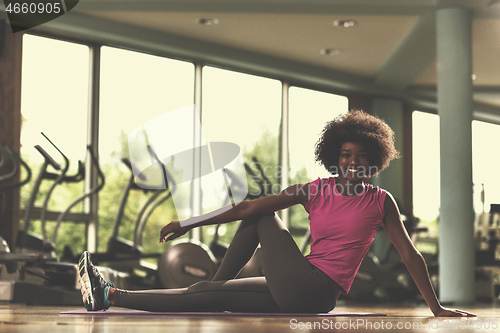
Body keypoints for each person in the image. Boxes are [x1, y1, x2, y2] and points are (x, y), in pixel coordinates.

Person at [79, 110, 475, 316]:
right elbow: (245, 206)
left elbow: (410, 254)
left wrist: (436, 307)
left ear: (374, 161)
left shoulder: (380, 201)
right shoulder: (313, 190)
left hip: (318, 290)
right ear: (335, 159)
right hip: (298, 288)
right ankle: (109, 295)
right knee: (210, 290)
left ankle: (209, 286)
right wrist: (189, 222)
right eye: (345, 155)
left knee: (261, 215)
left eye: (362, 157)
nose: (353, 163)